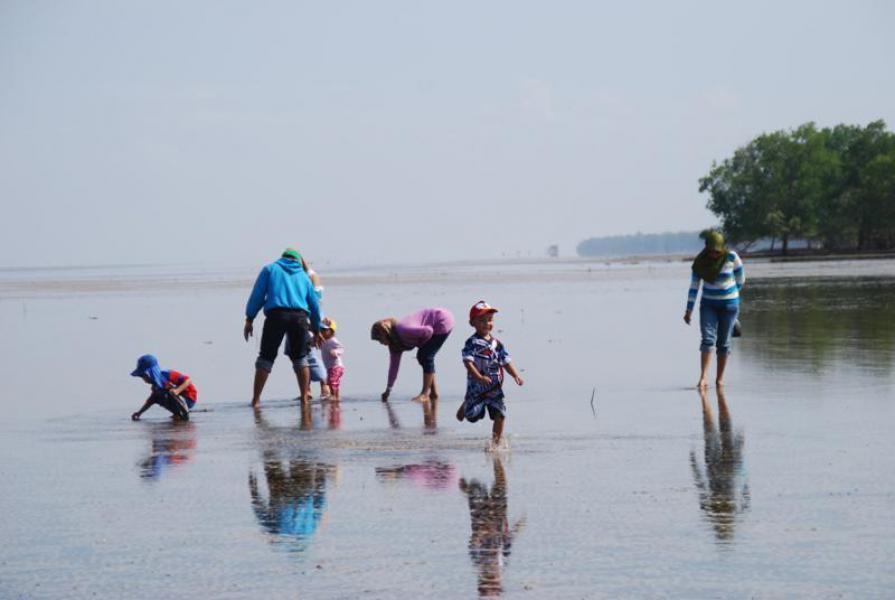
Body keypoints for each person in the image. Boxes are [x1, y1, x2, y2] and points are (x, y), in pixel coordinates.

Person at [244, 248, 322, 406]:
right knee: (301, 358)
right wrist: (316, 328)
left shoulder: (270, 269)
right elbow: (314, 304)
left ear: (283, 258)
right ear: (297, 261)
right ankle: (305, 398)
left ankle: (256, 400)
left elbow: (257, 296)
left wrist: (250, 318)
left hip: (276, 315)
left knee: (266, 356)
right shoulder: (304, 276)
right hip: (300, 317)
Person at [456, 301, 524, 447]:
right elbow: (468, 362)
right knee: (474, 417)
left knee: (500, 414)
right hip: (477, 389)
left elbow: (506, 361)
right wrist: (479, 377)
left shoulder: (497, 344)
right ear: (472, 323)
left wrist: (515, 375)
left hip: (494, 389)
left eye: (490, 320)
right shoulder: (472, 343)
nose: (487, 323)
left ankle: (495, 444)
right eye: (482, 320)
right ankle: (466, 405)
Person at [684, 230, 746, 389]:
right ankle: (703, 378)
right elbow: (694, 287)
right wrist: (689, 310)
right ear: (706, 248)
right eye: (711, 251)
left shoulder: (732, 257)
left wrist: (731, 293)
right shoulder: (700, 262)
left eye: (717, 251)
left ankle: (719, 379)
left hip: (729, 306)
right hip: (708, 305)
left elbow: (741, 279)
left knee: (723, 343)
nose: (714, 255)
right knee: (707, 339)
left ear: (723, 248)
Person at [371, 307, 454, 403]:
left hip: (441, 320)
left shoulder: (403, 330)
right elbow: (393, 368)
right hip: (435, 323)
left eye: (380, 339)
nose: (380, 343)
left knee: (424, 356)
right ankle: (433, 393)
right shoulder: (394, 346)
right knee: (425, 356)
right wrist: (388, 390)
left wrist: (421, 345)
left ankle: (424, 394)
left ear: (386, 334)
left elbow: (428, 330)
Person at [130, 354, 197, 421]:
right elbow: (150, 401)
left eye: (143, 376)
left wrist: (177, 391)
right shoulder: (156, 386)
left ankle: (184, 415)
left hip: (189, 397)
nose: (143, 379)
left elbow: (188, 381)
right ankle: (177, 413)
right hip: (177, 398)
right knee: (157, 396)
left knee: (167, 392)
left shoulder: (166, 374)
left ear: (150, 373)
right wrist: (139, 413)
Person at [320, 318, 345, 400]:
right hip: (330, 367)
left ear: (331, 331)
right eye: (321, 329)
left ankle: (334, 396)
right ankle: (336, 396)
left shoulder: (333, 340)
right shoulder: (323, 340)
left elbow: (341, 348)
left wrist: (336, 351)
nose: (322, 331)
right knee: (331, 382)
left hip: (336, 366)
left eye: (325, 330)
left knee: (332, 381)